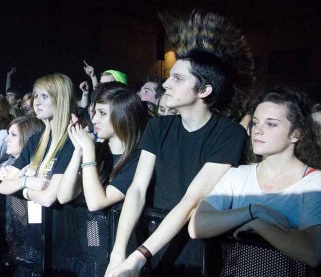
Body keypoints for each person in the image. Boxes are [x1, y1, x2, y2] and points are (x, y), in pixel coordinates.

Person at [105, 11, 255, 276]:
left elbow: (191, 200)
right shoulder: (158, 126)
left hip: (197, 248)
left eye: (177, 79)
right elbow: (137, 189)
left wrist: (137, 259)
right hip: (151, 238)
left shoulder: (229, 134)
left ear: (205, 90)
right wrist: (118, 254)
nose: (166, 84)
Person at [189, 88, 321, 268]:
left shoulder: (313, 183)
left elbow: (312, 253)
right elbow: (197, 226)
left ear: (296, 133)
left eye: (271, 124)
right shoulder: (237, 175)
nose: (258, 130)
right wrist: (253, 210)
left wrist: (258, 224)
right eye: (256, 122)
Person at [57, 83, 147, 211]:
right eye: (95, 113)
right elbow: (63, 196)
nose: (94, 120)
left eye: (102, 113)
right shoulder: (97, 150)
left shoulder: (138, 159)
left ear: (123, 116)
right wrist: (78, 150)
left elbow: (96, 203)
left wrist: (88, 149)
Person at [0, 73, 75, 207]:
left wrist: (25, 191)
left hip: (58, 223)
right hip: (33, 224)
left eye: (44, 96)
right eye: (36, 96)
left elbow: (48, 198)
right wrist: (26, 182)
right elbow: (3, 187)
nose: (37, 102)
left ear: (61, 99)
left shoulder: (70, 141)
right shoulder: (36, 139)